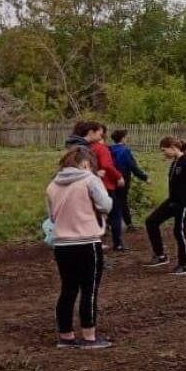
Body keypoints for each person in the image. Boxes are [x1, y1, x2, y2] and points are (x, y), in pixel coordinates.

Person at [47, 146, 114, 349]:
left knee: (68, 289)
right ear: (85, 163)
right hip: (87, 242)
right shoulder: (90, 179)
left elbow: (51, 217)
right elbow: (106, 205)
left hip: (61, 244)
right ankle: (89, 337)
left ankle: (65, 336)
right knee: (89, 289)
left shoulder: (53, 184)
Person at [145, 137, 186, 276]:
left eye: (164, 150)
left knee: (179, 231)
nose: (164, 153)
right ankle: (160, 255)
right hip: (173, 201)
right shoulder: (175, 162)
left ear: (172, 147)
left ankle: (183, 265)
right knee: (151, 221)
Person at [65, 121, 123, 221]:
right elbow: (79, 169)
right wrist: (95, 174)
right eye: (99, 133)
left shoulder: (75, 145)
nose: (101, 136)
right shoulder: (82, 149)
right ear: (91, 133)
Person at [109, 130, 149, 249]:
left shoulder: (109, 149)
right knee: (122, 201)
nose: (128, 138)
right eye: (126, 137)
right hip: (123, 179)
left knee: (113, 201)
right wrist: (144, 177)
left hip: (111, 179)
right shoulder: (125, 150)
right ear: (122, 138)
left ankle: (110, 224)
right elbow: (132, 166)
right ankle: (128, 224)